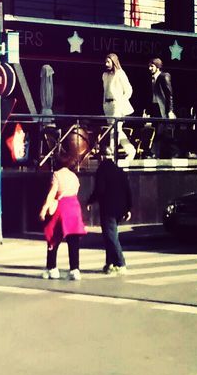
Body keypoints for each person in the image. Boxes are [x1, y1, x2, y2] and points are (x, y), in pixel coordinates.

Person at [87, 144, 132, 275]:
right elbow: (127, 190)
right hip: (121, 208)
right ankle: (110, 263)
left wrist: (91, 200)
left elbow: (100, 189)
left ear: (102, 157)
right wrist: (128, 208)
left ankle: (120, 263)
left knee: (111, 236)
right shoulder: (120, 171)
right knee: (110, 235)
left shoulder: (102, 171)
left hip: (108, 208)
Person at [39, 157, 86, 281]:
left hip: (61, 208)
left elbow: (52, 194)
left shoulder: (57, 175)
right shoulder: (74, 177)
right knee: (73, 241)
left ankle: (52, 268)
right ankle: (75, 270)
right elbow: (76, 191)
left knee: (53, 237)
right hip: (74, 208)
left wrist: (44, 209)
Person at [101, 52, 135, 161]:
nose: (106, 64)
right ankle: (130, 150)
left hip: (117, 104)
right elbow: (105, 91)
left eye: (108, 61)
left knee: (114, 130)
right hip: (108, 105)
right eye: (105, 61)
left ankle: (112, 152)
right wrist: (104, 104)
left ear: (114, 62)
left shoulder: (120, 73)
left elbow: (129, 90)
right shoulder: (105, 75)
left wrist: (121, 101)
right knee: (117, 130)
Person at [147, 57, 176, 157]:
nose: (150, 68)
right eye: (149, 66)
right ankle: (157, 152)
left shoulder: (164, 76)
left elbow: (169, 94)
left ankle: (171, 152)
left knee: (162, 131)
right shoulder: (152, 78)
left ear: (158, 67)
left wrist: (170, 110)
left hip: (162, 108)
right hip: (155, 107)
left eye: (152, 66)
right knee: (157, 130)